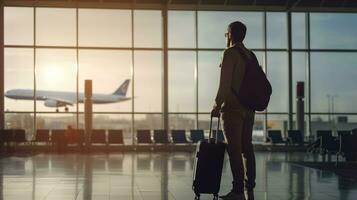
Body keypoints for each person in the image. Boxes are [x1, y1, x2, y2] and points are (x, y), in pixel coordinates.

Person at [211, 21, 256, 200]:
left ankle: (237, 190)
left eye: (226, 33)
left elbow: (225, 84)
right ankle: (249, 185)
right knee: (247, 147)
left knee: (234, 149)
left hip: (233, 109)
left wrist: (216, 105)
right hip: (249, 109)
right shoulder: (250, 55)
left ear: (230, 34)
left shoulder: (229, 53)